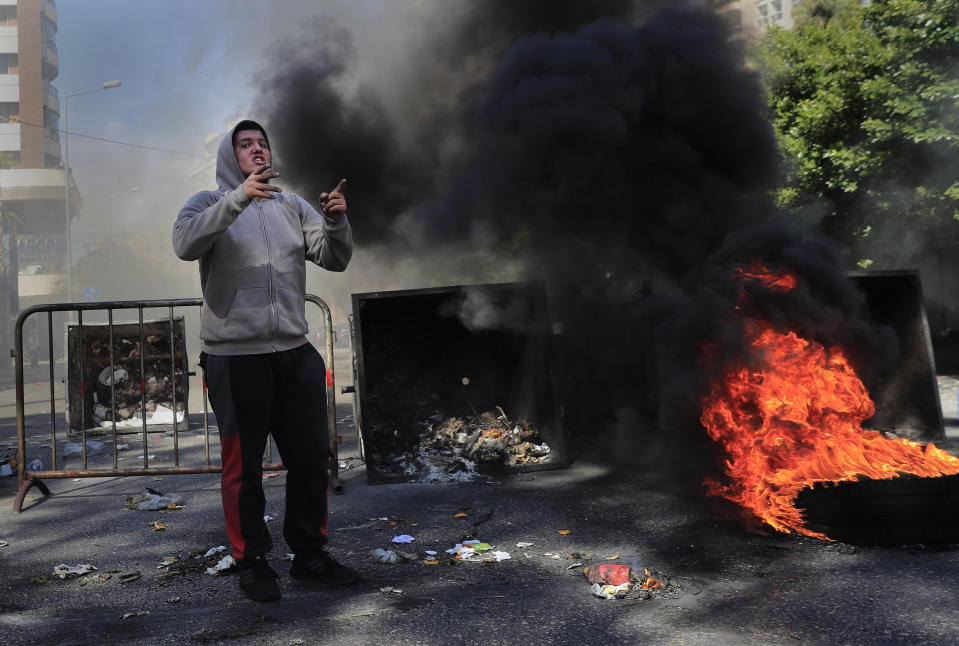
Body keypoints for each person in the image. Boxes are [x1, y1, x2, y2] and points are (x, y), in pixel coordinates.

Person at [172, 120, 356, 602]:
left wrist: (336, 221)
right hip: (235, 358)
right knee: (243, 469)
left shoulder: (291, 205)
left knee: (313, 459)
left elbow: (332, 258)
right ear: (230, 157)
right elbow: (184, 244)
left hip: (295, 353)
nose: (257, 150)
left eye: (262, 143)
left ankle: (310, 555)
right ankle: (251, 560)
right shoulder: (207, 203)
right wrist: (238, 200)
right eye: (245, 145)